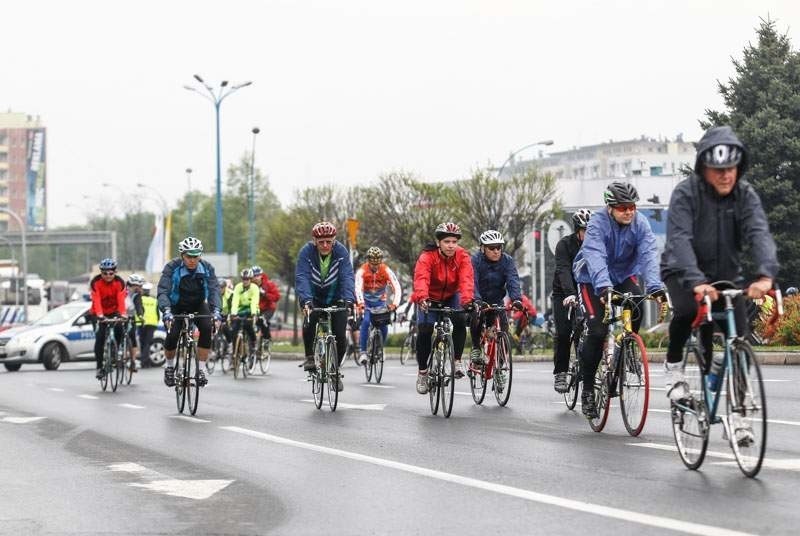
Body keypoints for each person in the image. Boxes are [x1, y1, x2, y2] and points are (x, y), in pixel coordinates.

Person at [660, 125, 778, 446]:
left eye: (731, 169)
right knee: (685, 310)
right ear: (704, 168)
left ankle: (739, 419)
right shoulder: (686, 194)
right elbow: (680, 240)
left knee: (738, 342)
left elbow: (758, 234)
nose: (727, 176)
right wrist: (696, 281)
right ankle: (673, 370)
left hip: (726, 276)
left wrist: (766, 275)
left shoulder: (746, 195)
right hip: (682, 272)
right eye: (719, 170)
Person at [573, 182, 666, 418]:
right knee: (597, 330)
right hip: (592, 280)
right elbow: (594, 255)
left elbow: (648, 254)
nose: (629, 212)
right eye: (623, 207)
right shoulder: (597, 224)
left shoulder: (640, 223)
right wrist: (604, 288)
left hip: (624, 275)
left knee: (637, 302)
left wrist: (655, 287)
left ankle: (628, 348)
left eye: (632, 207)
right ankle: (586, 391)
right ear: (610, 208)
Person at [411, 222, 475, 394]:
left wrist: (467, 300)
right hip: (429, 297)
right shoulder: (427, 257)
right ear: (439, 242)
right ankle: (423, 372)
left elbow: (466, 279)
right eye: (447, 241)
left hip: (451, 296)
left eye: (454, 242)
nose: (451, 245)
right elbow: (421, 278)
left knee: (461, 320)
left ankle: (456, 361)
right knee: (424, 330)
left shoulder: (462, 256)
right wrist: (423, 298)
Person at [295, 221, 355, 392]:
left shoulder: (341, 252)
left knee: (340, 336)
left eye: (329, 241)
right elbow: (302, 277)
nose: (325, 245)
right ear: (314, 240)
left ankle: (335, 371)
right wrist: (306, 300)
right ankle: (309, 357)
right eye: (321, 242)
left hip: (336, 297)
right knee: (310, 319)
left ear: (334, 240)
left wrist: (348, 299)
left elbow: (347, 276)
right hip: (312, 297)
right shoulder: (306, 252)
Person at [157, 237, 221, 388]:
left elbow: (214, 290)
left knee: (206, 327)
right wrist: (166, 310)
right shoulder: (172, 267)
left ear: (200, 255)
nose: (192, 260)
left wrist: (217, 310)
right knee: (172, 334)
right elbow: (163, 290)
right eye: (188, 256)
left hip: (198, 304)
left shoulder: (206, 267)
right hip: (175, 305)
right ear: (182, 255)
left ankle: (201, 370)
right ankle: (170, 367)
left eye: (196, 255)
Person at [551, 209, 592, 393]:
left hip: (588, 290)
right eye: (585, 231)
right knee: (564, 332)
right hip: (564, 292)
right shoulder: (564, 245)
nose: (589, 235)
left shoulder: (597, 245)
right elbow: (563, 270)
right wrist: (569, 293)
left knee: (595, 330)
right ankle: (560, 372)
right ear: (577, 230)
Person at [468, 230, 523, 365]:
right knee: (476, 317)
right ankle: (476, 348)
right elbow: (471, 281)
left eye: (499, 247)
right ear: (483, 248)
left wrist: (516, 299)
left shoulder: (507, 261)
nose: (496, 251)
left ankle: (501, 368)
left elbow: (513, 280)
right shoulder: (475, 260)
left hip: (497, 301)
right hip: (479, 300)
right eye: (492, 248)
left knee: (503, 331)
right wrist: (477, 300)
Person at [355, 246, 402, 365]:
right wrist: (360, 304)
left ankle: (380, 348)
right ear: (368, 261)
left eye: (377, 264)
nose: (375, 267)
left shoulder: (386, 270)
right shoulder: (362, 271)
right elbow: (357, 289)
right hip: (365, 302)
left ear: (380, 261)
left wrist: (394, 304)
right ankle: (363, 352)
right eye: (372, 264)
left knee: (384, 325)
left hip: (380, 302)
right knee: (365, 322)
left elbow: (397, 287)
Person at [89, 258, 127, 380]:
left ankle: (115, 352)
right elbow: (96, 300)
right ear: (101, 273)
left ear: (115, 272)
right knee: (100, 338)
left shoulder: (119, 283)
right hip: (98, 312)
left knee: (120, 329)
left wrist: (122, 314)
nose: (107, 276)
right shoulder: (96, 283)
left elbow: (121, 300)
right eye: (104, 273)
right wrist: (100, 315)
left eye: (111, 273)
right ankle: (99, 367)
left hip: (114, 311)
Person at [230, 268, 259, 355]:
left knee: (248, 326)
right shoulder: (238, 287)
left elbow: (254, 301)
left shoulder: (255, 288)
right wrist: (233, 313)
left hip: (251, 309)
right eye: (243, 279)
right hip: (241, 310)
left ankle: (253, 344)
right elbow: (235, 301)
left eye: (247, 279)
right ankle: (235, 352)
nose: (245, 281)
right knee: (234, 330)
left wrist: (253, 314)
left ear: (250, 279)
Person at [251, 265, 281, 342]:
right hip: (255, 308)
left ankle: (267, 340)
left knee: (263, 320)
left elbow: (277, 297)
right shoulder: (249, 285)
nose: (256, 278)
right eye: (254, 276)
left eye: (258, 275)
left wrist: (265, 294)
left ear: (261, 275)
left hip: (268, 308)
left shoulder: (268, 284)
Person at [125, 273, 145, 373]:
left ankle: (133, 361)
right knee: (118, 333)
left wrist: (141, 316)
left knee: (132, 336)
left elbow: (139, 306)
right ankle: (117, 351)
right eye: (137, 286)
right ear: (131, 284)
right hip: (120, 315)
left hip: (131, 316)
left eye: (140, 286)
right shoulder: (122, 290)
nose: (139, 288)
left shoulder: (137, 294)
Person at [138, 282, 160, 368]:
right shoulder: (154, 300)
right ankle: (145, 361)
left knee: (143, 342)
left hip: (141, 323)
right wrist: (157, 321)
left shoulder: (139, 299)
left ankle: (144, 361)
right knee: (147, 342)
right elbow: (158, 313)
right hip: (152, 324)